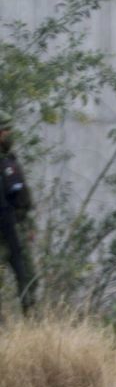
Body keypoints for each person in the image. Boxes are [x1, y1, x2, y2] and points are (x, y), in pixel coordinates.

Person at [0, 109, 35, 316]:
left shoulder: (9, 159)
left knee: (28, 278)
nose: (10, 134)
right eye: (6, 130)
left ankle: (31, 324)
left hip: (16, 228)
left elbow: (22, 197)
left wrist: (28, 225)